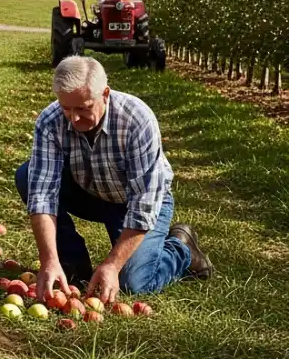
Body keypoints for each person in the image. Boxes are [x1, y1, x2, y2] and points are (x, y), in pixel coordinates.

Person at [18, 56, 212, 304]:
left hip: (136, 201)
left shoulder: (136, 119)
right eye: (67, 108)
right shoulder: (50, 120)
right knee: (27, 175)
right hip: (89, 192)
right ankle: (71, 263)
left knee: (134, 281)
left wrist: (112, 265)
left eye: (83, 108)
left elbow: (144, 203)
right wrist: (48, 259)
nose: (73, 118)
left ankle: (181, 249)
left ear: (105, 94)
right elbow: (43, 194)